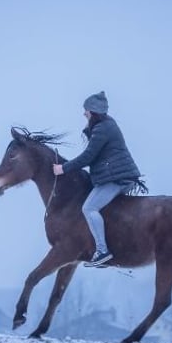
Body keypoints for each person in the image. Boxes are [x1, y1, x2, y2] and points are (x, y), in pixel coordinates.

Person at [53, 91, 143, 267]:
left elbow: (88, 157)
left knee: (89, 207)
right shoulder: (104, 126)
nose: (84, 113)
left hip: (117, 178)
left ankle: (102, 251)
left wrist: (62, 168)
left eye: (86, 110)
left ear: (93, 111)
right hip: (118, 176)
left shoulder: (103, 128)